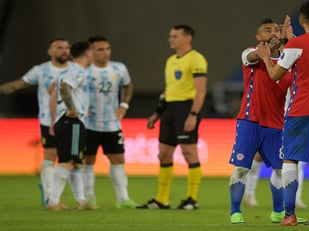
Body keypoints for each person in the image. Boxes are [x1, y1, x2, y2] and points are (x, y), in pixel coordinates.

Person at [255, 1, 309, 226]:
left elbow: (276, 74)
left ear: (301, 20)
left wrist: (267, 57)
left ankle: (289, 215)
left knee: (290, 160)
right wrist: (289, 40)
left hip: (301, 111)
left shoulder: (297, 44)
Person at [228, 18, 307, 224]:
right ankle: (235, 212)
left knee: (281, 169)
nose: (272, 33)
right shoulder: (249, 54)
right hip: (249, 121)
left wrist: (292, 39)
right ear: (258, 36)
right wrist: (269, 47)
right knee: (241, 168)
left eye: (275, 30)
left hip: (276, 124)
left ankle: (278, 212)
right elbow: (255, 55)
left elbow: (306, 57)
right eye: (266, 30)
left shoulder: (287, 62)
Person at [137, 25, 207, 210]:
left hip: (186, 109)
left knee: (189, 152)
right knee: (164, 154)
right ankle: (162, 199)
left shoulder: (196, 59)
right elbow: (169, 90)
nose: (170, 39)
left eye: (175, 36)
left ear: (188, 38)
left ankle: (192, 199)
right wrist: (158, 112)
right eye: (170, 36)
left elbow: (201, 91)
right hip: (170, 111)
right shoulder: (170, 61)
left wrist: (193, 114)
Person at [0, 37, 71, 207]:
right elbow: (18, 85)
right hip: (49, 120)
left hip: (73, 120)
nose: (64, 51)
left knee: (70, 160)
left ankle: (77, 198)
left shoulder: (76, 69)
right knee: (51, 155)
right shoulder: (41, 70)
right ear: (50, 51)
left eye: (67, 47)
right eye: (59, 47)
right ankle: (49, 197)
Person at [82, 35, 136, 208]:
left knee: (118, 159)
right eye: (100, 49)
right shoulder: (83, 70)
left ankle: (123, 199)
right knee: (88, 159)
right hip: (88, 124)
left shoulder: (119, 68)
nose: (106, 53)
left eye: (108, 48)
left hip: (112, 124)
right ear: (90, 52)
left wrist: (124, 104)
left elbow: (128, 85)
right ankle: (89, 197)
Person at [46, 41, 98, 210]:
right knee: (68, 162)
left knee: (76, 162)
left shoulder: (67, 71)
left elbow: (54, 93)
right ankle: (53, 201)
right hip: (73, 121)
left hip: (64, 121)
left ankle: (81, 201)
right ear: (88, 53)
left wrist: (54, 120)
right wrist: (72, 108)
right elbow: (64, 87)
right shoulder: (77, 71)